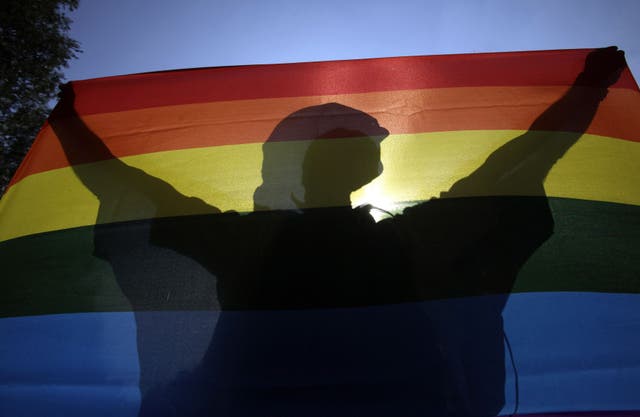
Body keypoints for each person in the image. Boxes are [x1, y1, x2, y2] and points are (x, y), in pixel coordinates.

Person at [50, 47, 626, 416]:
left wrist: (588, 91)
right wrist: (70, 126)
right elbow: (126, 184)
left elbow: (521, 160)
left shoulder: (263, 242)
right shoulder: (401, 238)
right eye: (329, 149)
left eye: (345, 147)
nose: (337, 155)